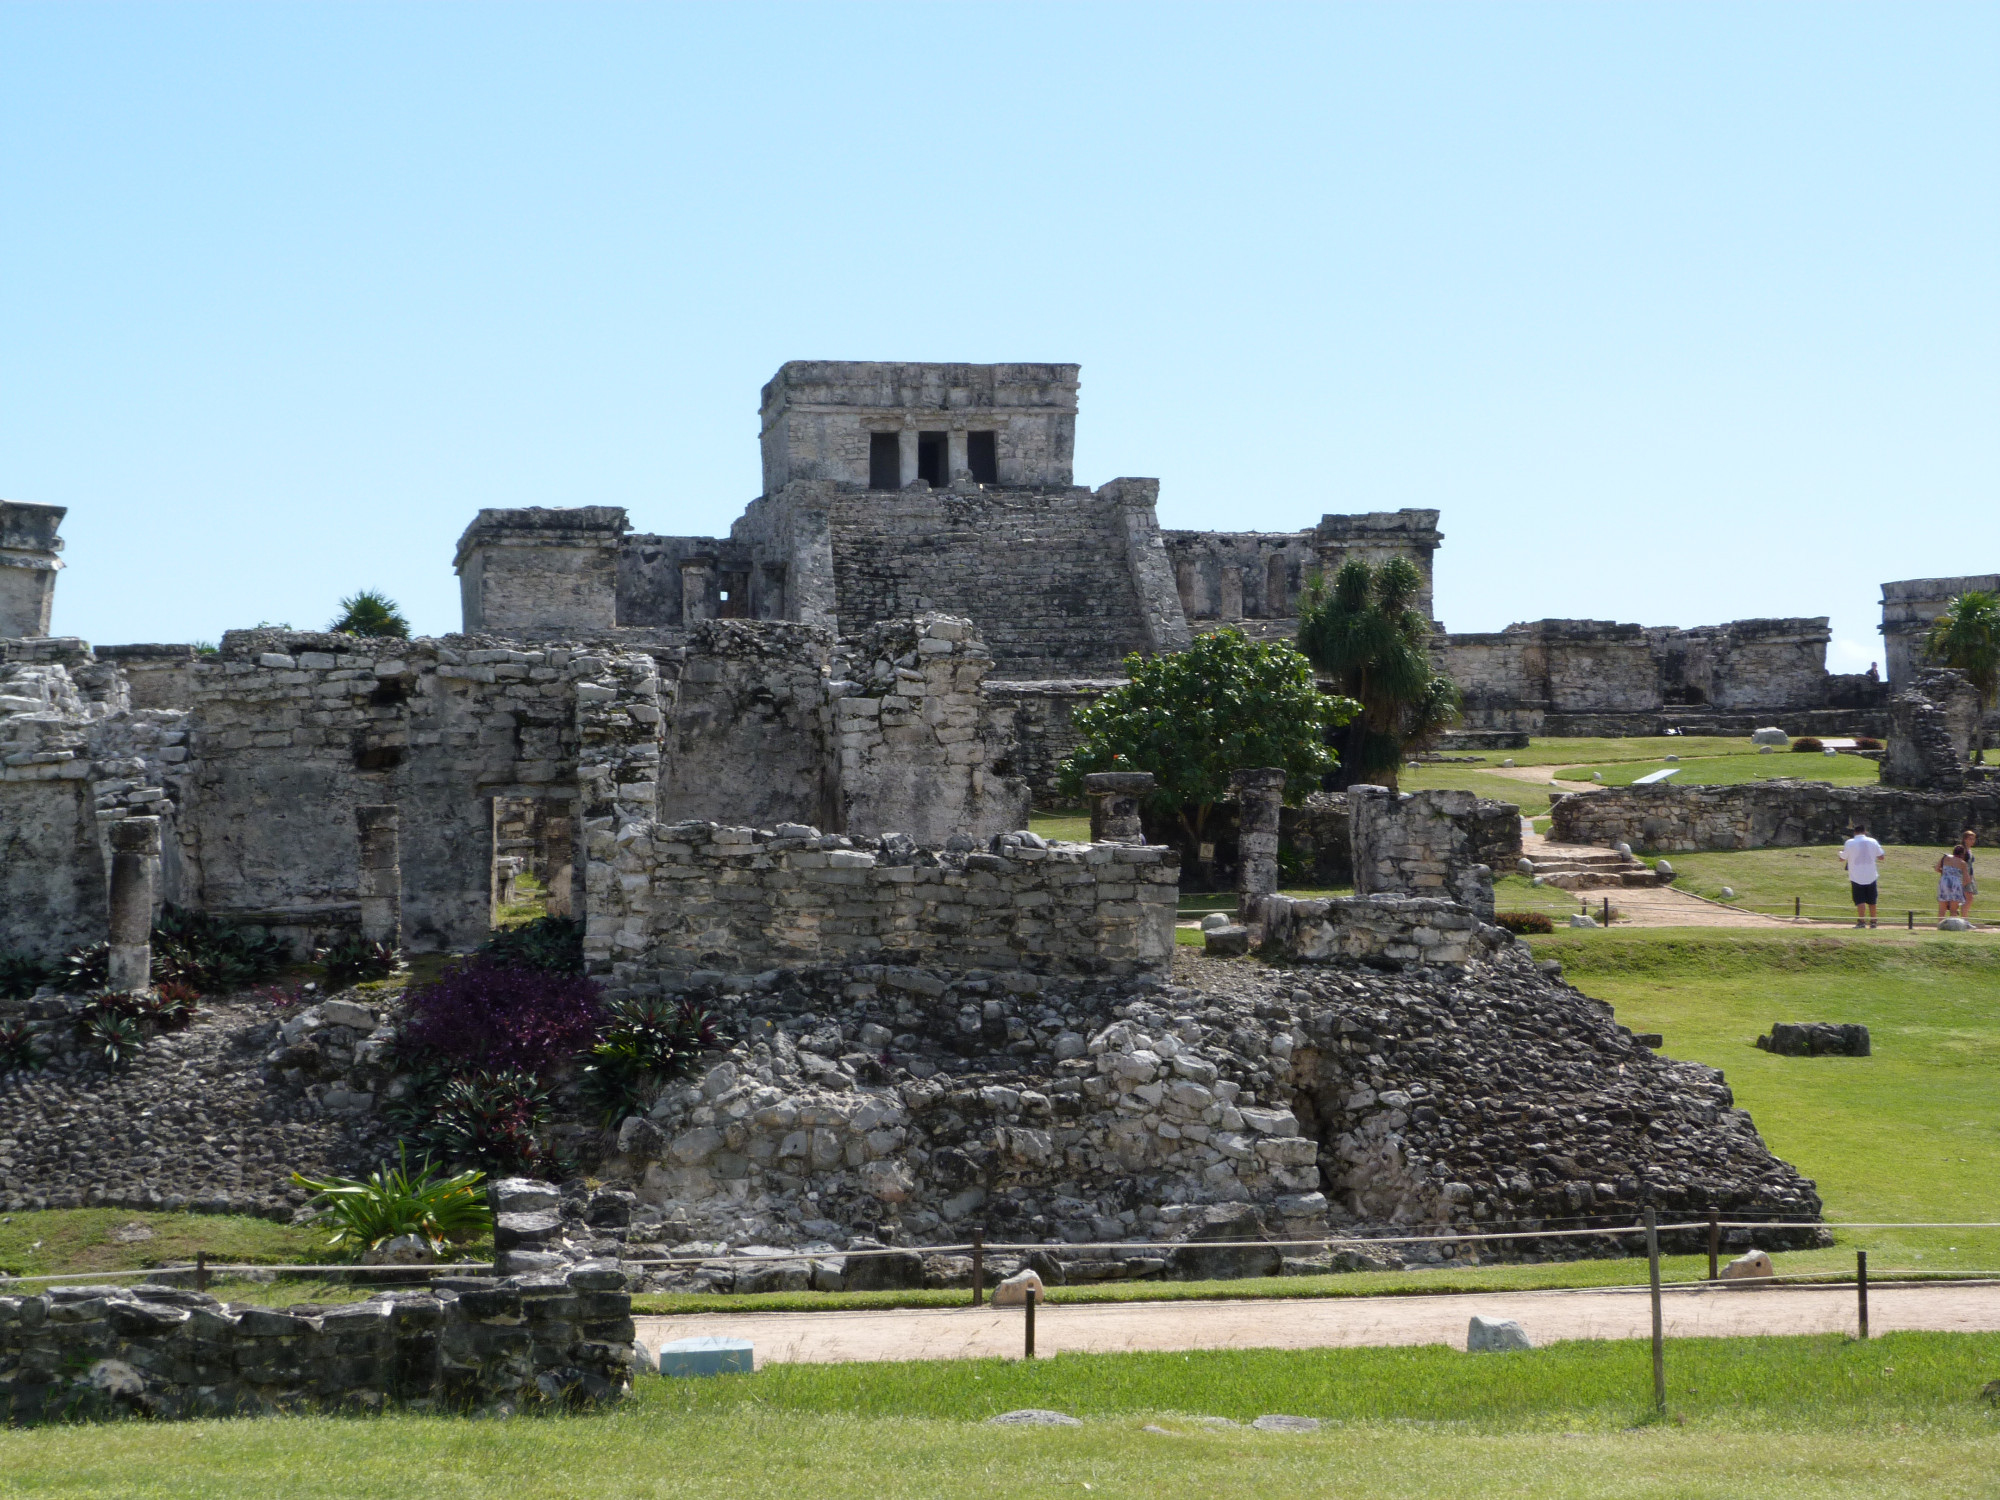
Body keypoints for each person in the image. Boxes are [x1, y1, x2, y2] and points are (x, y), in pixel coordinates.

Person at [1839, 823, 1885, 929]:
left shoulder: (1850, 842)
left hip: (1856, 876)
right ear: (1865, 832)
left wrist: (1840, 854)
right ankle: (1873, 922)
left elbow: (1842, 857)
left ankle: (1861, 922)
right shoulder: (1873, 841)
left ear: (1855, 832)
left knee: (1860, 900)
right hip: (1871, 875)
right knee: (1872, 900)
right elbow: (1881, 856)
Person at [1937, 843, 1970, 920]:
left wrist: (1945, 873)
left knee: (1942, 909)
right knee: (1953, 910)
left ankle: (1940, 925)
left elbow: (1937, 868)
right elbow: (1967, 879)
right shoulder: (1962, 863)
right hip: (1956, 883)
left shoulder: (1945, 858)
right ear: (1962, 854)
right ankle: (1953, 926)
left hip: (1944, 882)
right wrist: (1962, 886)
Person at [1961, 828, 1979, 925]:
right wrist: (1965, 877)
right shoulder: (1963, 850)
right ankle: (1964, 920)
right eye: (1970, 839)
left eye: (1973, 839)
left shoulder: (1969, 850)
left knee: (1969, 898)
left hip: (1970, 876)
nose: (1972, 841)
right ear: (1965, 839)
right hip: (1965, 876)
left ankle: (1964, 919)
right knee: (1969, 898)